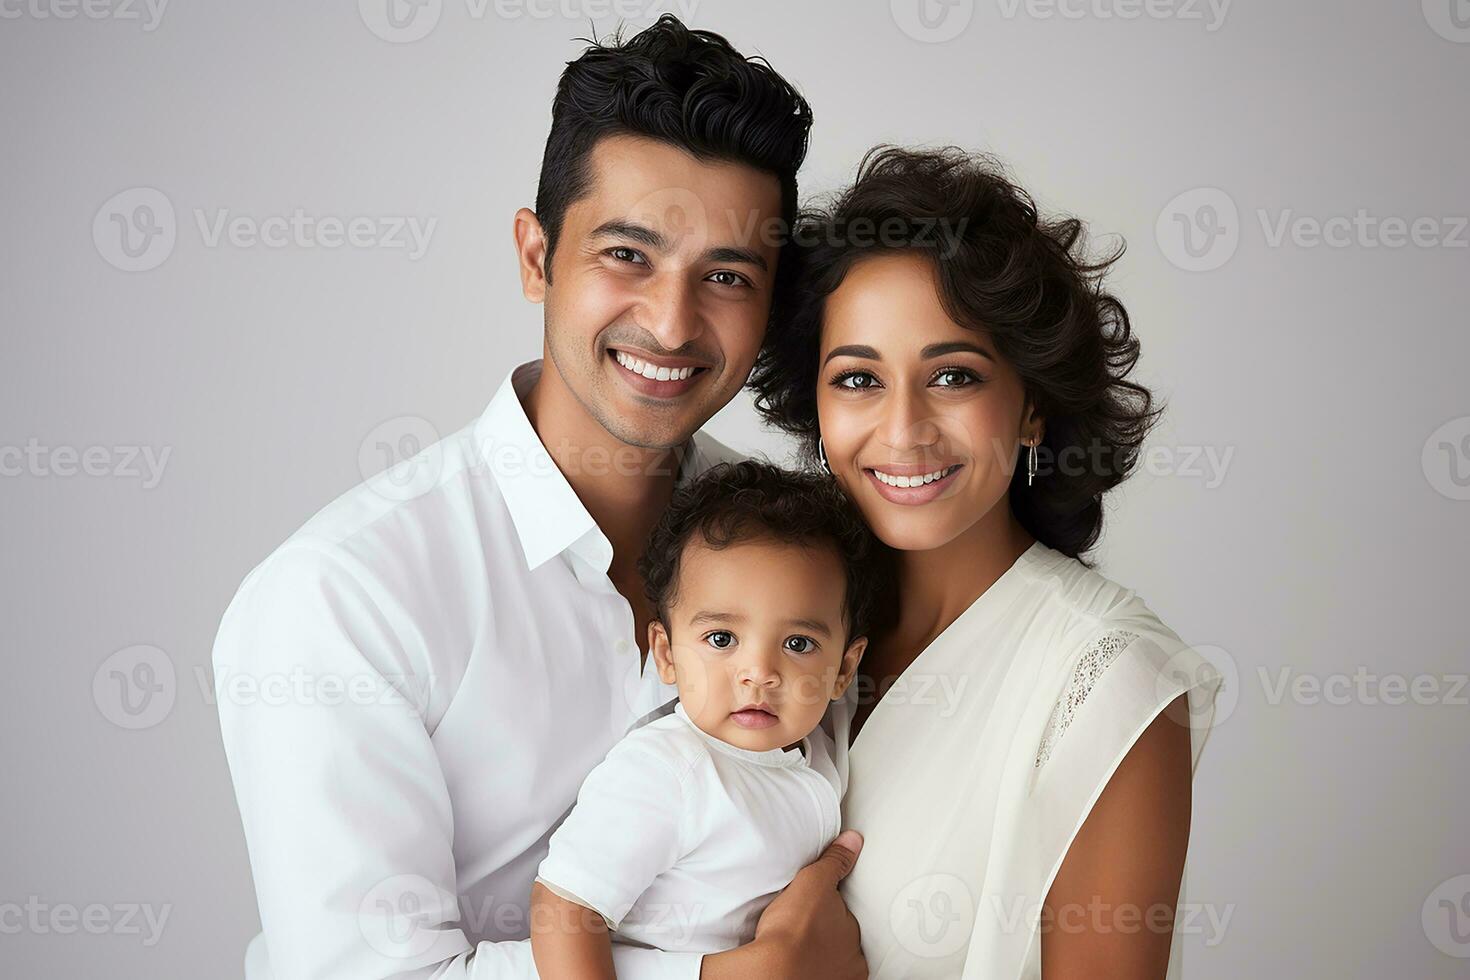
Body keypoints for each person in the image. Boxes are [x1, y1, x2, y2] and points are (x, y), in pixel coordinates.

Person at [212, 17, 867, 980]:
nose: (672, 321)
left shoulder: (807, 549)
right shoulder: (338, 599)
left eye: (726, 276)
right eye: (627, 255)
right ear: (535, 257)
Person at [750, 145, 1224, 979]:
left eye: (954, 376)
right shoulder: (773, 617)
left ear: (1032, 405)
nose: (903, 430)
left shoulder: (1109, 685)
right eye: (858, 380)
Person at [530, 461, 876, 978]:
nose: (759, 674)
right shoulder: (666, 770)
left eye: (798, 644)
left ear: (844, 669)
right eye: (721, 640)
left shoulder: (818, 747)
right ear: (666, 655)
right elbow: (564, 911)